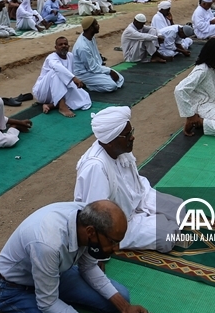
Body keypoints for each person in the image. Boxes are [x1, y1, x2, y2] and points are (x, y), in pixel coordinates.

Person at [0, 200, 150, 313]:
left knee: (120, 297)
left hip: (53, 274)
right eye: (112, 241)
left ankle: (58, 310)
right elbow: (48, 303)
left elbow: (88, 267)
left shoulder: (85, 218)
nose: (115, 248)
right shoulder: (48, 244)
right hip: (14, 290)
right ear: (90, 232)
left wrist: (124, 307)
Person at [74, 106, 180, 253]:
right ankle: (147, 225)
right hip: (120, 220)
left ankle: (154, 218)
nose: (132, 137)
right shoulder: (95, 167)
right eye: (127, 135)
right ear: (110, 140)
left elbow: (135, 185)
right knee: (167, 236)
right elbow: (96, 217)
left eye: (131, 132)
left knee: (180, 209)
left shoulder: (119, 149)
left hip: (139, 197)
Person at [32, 36, 91, 118]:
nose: (63, 46)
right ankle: (62, 107)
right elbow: (58, 67)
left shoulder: (70, 56)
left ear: (68, 46)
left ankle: (51, 105)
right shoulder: (51, 57)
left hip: (59, 88)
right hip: (43, 92)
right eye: (60, 44)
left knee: (84, 98)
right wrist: (73, 78)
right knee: (56, 73)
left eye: (65, 44)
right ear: (56, 47)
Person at [72, 17, 124, 93]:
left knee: (120, 78)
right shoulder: (82, 47)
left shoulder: (90, 37)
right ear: (91, 28)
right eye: (96, 24)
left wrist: (105, 70)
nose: (98, 25)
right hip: (84, 73)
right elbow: (92, 68)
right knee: (111, 86)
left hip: (94, 69)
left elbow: (95, 61)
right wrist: (109, 71)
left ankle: (99, 81)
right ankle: (86, 85)